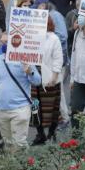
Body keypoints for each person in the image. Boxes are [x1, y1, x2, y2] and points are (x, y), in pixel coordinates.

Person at [0, 49, 40, 150]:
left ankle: (24, 160)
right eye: (4, 41)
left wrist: (30, 72)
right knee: (8, 145)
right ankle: (15, 161)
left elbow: (37, 81)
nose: (6, 43)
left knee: (19, 144)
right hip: (2, 110)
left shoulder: (25, 59)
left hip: (20, 109)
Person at [32, 16, 63, 145]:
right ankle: (40, 134)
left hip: (49, 78)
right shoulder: (31, 37)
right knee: (35, 107)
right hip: (34, 78)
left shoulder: (53, 38)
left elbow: (58, 59)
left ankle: (51, 132)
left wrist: (54, 77)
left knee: (51, 108)